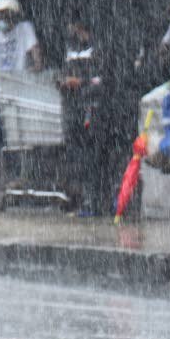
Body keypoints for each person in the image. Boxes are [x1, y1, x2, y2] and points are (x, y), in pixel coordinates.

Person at [57, 16, 113, 215]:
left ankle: (94, 202)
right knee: (75, 157)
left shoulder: (98, 46)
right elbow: (64, 72)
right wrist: (64, 81)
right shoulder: (71, 47)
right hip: (73, 109)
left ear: (79, 25)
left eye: (72, 25)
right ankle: (77, 200)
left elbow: (101, 78)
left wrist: (80, 82)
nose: (69, 29)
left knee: (93, 158)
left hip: (92, 109)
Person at [0, 0, 42, 164]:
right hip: (0, 98)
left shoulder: (24, 29)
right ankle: (7, 176)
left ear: (10, 14)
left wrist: (22, 77)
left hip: (16, 96)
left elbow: (37, 62)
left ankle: (12, 176)